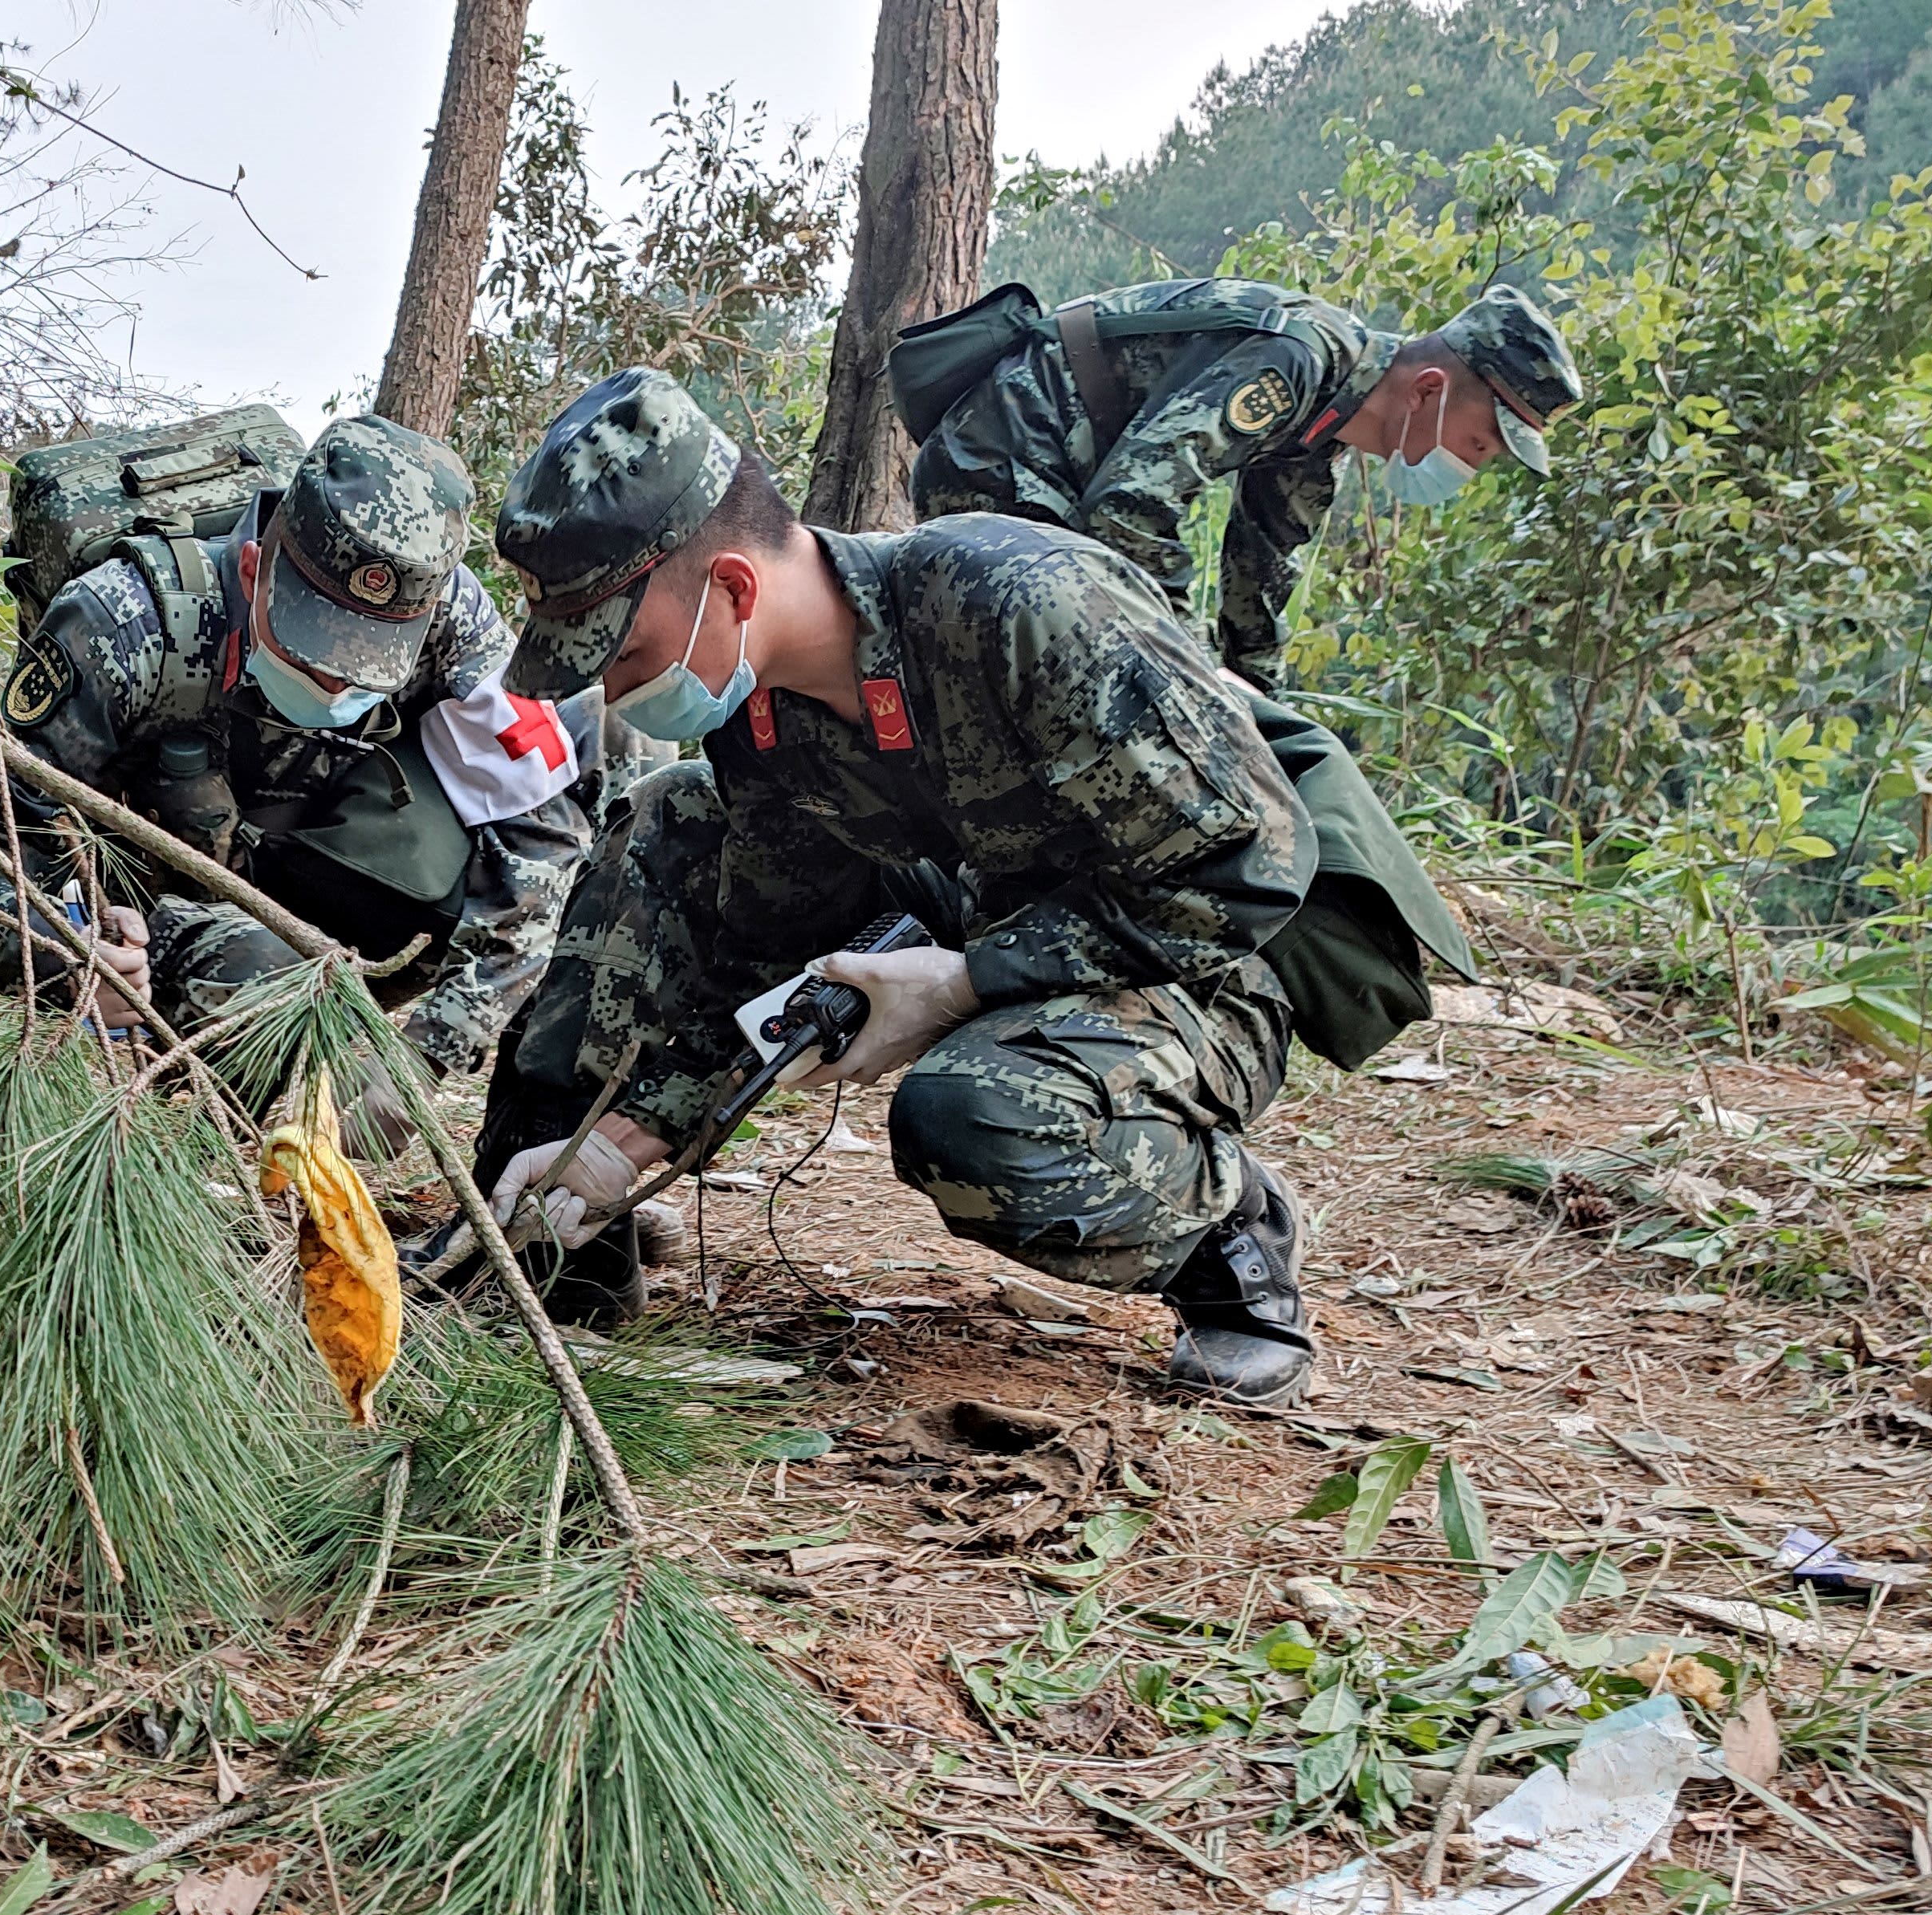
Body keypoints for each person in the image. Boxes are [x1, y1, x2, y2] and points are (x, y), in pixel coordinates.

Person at [458, 369, 1474, 1407]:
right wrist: (623, 1145)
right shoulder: (761, 724)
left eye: (623, 654)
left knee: (970, 1119)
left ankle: (1228, 1234)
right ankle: (550, 1227)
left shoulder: (1014, 602)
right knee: (668, 816)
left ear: (733, 590)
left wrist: (965, 982)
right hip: (992, 920)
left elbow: (1247, 869)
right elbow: (758, 953)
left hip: (1206, 958)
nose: (615, 690)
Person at [0, 414, 597, 1156]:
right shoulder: (123, 625)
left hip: (315, 863)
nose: (337, 681)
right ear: (252, 571)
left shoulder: (452, 618)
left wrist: (423, 1056)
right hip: (154, 900)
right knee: (261, 975)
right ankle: (171, 1164)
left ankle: (531, 1204)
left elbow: (543, 839)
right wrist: (70, 958)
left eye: (369, 664)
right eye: (313, 651)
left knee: (578, 899)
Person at [905, 279, 1581, 691]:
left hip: (1059, 484)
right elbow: (1131, 509)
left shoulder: (1323, 433)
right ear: (1429, 389)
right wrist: (1199, 675)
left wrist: (1265, 720)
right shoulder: (1297, 360)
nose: (1471, 465)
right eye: (1479, 442)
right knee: (1057, 684)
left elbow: (1259, 587)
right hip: (1004, 458)